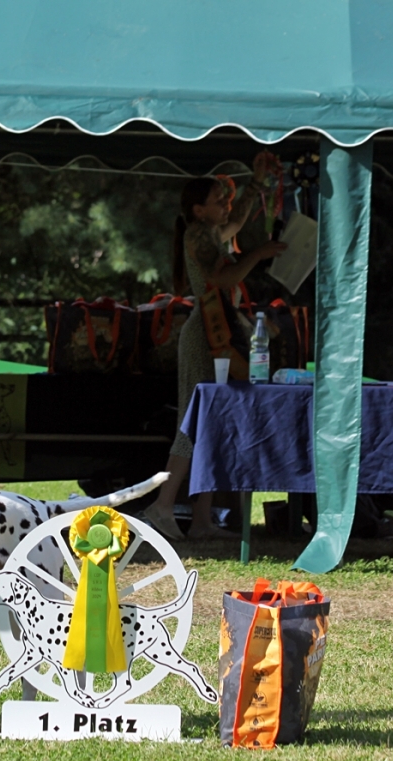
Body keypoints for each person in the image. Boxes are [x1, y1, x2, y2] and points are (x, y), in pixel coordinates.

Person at [143, 161, 287, 541]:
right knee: (192, 422)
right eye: (217, 199)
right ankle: (162, 505)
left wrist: (256, 184)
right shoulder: (198, 235)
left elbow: (236, 221)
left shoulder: (211, 232)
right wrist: (259, 254)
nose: (226, 203)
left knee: (209, 424)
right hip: (203, 336)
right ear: (198, 209)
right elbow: (222, 279)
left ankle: (203, 519)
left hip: (216, 333)